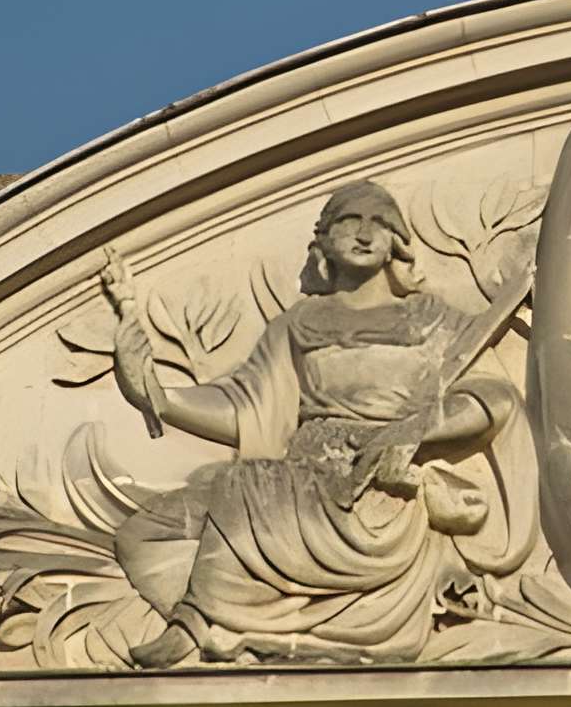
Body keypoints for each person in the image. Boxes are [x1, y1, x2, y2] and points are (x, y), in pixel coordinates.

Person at [101, 182, 521, 666]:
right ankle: (234, 628)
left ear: (396, 244)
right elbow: (247, 407)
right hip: (303, 473)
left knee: (243, 483)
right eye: (349, 221)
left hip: (376, 486)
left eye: (379, 223)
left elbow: (493, 396)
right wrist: (156, 395)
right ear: (323, 240)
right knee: (141, 535)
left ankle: (197, 624)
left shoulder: (430, 319)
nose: (364, 234)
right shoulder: (301, 323)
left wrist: (416, 431)